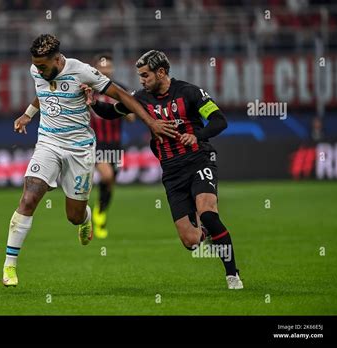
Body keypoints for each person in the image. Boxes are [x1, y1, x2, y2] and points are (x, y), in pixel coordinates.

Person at [2, 35, 177, 287]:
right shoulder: (37, 69)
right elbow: (43, 92)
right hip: (48, 144)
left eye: (43, 66)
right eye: (36, 66)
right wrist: (28, 114)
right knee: (29, 197)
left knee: (72, 216)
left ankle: (85, 219)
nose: (38, 70)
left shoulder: (83, 72)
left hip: (80, 150)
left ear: (58, 59)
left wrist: (150, 122)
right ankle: (9, 266)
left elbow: (123, 95)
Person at [84, 50, 243, 289]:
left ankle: (233, 275)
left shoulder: (189, 92)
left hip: (199, 160)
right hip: (171, 171)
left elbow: (220, 120)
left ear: (161, 72)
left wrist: (197, 135)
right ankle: (206, 232)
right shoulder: (140, 98)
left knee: (208, 213)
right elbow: (110, 112)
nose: (142, 80)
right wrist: (94, 102)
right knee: (190, 242)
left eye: (146, 75)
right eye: (140, 75)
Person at [89, 53, 135, 239]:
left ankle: (100, 211)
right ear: (96, 69)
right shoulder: (89, 89)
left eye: (108, 67)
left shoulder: (120, 89)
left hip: (115, 144)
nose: (105, 70)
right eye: (102, 67)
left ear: (112, 69)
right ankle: (95, 214)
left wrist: (123, 108)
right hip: (95, 143)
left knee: (110, 182)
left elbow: (132, 118)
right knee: (106, 175)